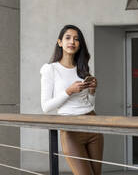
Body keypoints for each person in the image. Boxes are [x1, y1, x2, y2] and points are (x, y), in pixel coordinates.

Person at [40, 24, 104, 175]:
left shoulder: (82, 68)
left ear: (79, 44)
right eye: (68, 38)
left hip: (93, 124)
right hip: (70, 128)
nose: (72, 42)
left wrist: (93, 91)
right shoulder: (50, 69)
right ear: (60, 42)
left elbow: (88, 104)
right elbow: (46, 107)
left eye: (76, 39)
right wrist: (69, 91)